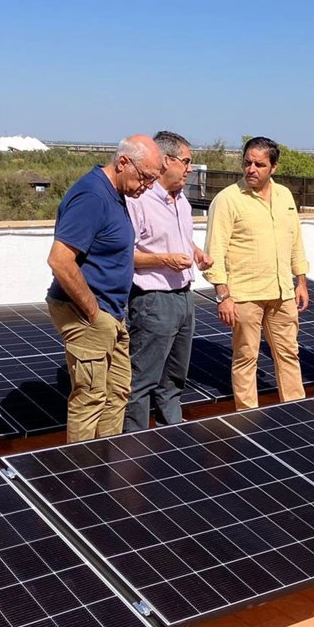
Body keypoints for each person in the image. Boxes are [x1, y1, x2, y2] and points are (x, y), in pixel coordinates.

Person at [46, 135, 164, 441]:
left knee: (117, 392)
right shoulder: (92, 196)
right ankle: (83, 467)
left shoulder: (116, 194)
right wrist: (94, 313)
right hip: (88, 313)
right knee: (91, 398)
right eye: (145, 177)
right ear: (123, 162)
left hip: (111, 313)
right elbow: (60, 260)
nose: (147, 186)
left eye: (153, 180)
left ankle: (106, 460)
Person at [204, 136, 309, 410]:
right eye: (247, 163)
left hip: (282, 293)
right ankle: (247, 419)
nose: (251, 169)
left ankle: (297, 413)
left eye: (259, 165)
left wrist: (301, 281)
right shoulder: (227, 200)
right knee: (246, 358)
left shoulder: (285, 196)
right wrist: (222, 296)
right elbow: (215, 250)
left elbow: (295, 241)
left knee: (289, 355)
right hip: (244, 296)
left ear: (273, 167)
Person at [122, 131, 213, 432]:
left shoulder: (181, 200)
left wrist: (196, 253)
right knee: (142, 381)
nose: (190, 168)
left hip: (185, 297)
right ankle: (134, 444)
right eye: (186, 161)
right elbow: (125, 254)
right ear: (166, 161)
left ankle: (171, 438)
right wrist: (165, 260)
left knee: (174, 379)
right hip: (154, 301)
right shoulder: (139, 200)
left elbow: (179, 239)